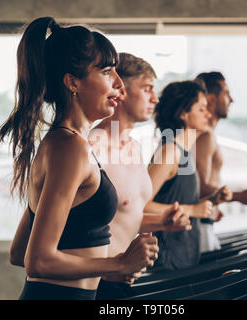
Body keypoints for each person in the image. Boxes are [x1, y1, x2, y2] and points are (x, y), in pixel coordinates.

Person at [0, 17, 158, 300]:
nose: (119, 84)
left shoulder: (67, 144)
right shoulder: (70, 148)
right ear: (72, 82)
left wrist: (105, 267)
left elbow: (19, 252)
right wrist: (118, 262)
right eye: (107, 71)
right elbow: (38, 261)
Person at [89, 52, 192, 299]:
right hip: (94, 284)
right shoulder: (94, 147)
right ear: (120, 90)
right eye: (147, 89)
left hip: (123, 281)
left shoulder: (134, 147)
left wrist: (164, 222)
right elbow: (66, 232)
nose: (155, 99)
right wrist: (115, 264)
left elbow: (121, 218)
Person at [144, 80, 223, 272]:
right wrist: (193, 210)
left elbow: (176, 199)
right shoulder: (170, 151)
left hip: (183, 258)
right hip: (167, 262)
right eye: (201, 109)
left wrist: (211, 201)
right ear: (183, 114)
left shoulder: (183, 152)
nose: (208, 114)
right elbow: (142, 205)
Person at [194, 72, 247, 252]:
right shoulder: (204, 136)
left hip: (203, 220)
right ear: (211, 99)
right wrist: (239, 196)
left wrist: (215, 203)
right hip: (197, 226)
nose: (231, 100)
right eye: (226, 93)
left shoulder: (206, 134)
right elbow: (198, 186)